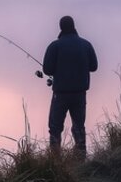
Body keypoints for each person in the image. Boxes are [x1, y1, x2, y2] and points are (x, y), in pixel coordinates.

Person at [42, 15, 98, 156]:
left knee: (55, 128)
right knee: (79, 127)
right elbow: (94, 66)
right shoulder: (86, 45)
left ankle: (55, 161)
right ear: (74, 26)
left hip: (60, 95)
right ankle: (81, 158)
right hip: (80, 94)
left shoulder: (55, 46)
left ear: (61, 27)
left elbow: (47, 70)